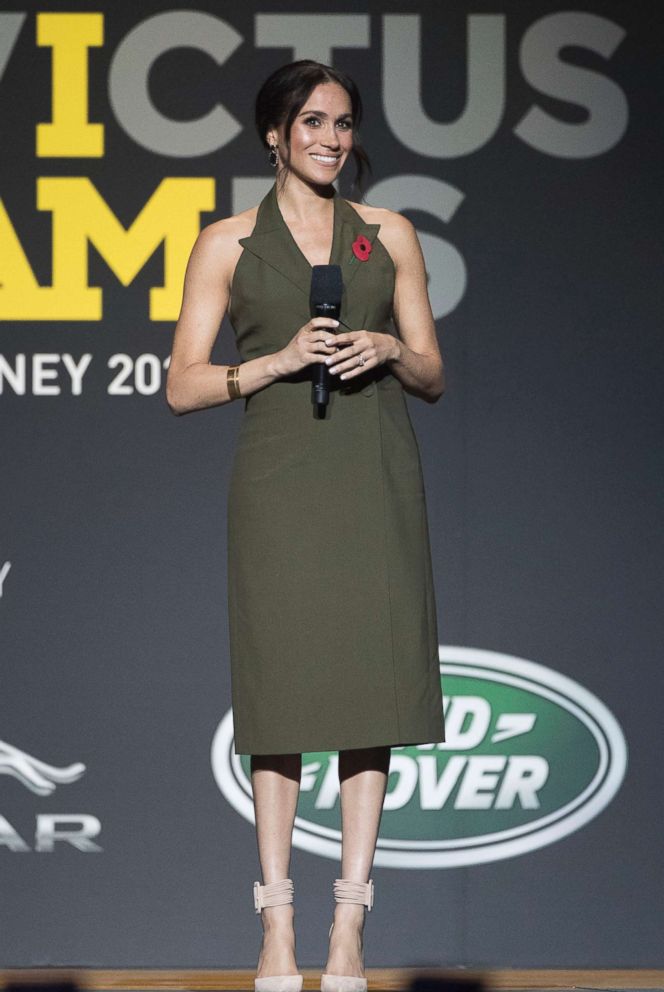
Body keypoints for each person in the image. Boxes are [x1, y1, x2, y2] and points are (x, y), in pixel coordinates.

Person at [166, 60, 446, 992]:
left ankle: (349, 930)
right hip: (280, 480)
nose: (331, 138)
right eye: (312, 122)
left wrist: (391, 348)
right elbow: (183, 385)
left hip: (373, 473)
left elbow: (434, 373)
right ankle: (277, 927)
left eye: (343, 124)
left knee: (371, 701)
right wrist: (279, 360)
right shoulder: (227, 244)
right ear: (274, 136)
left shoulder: (391, 234)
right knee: (279, 702)